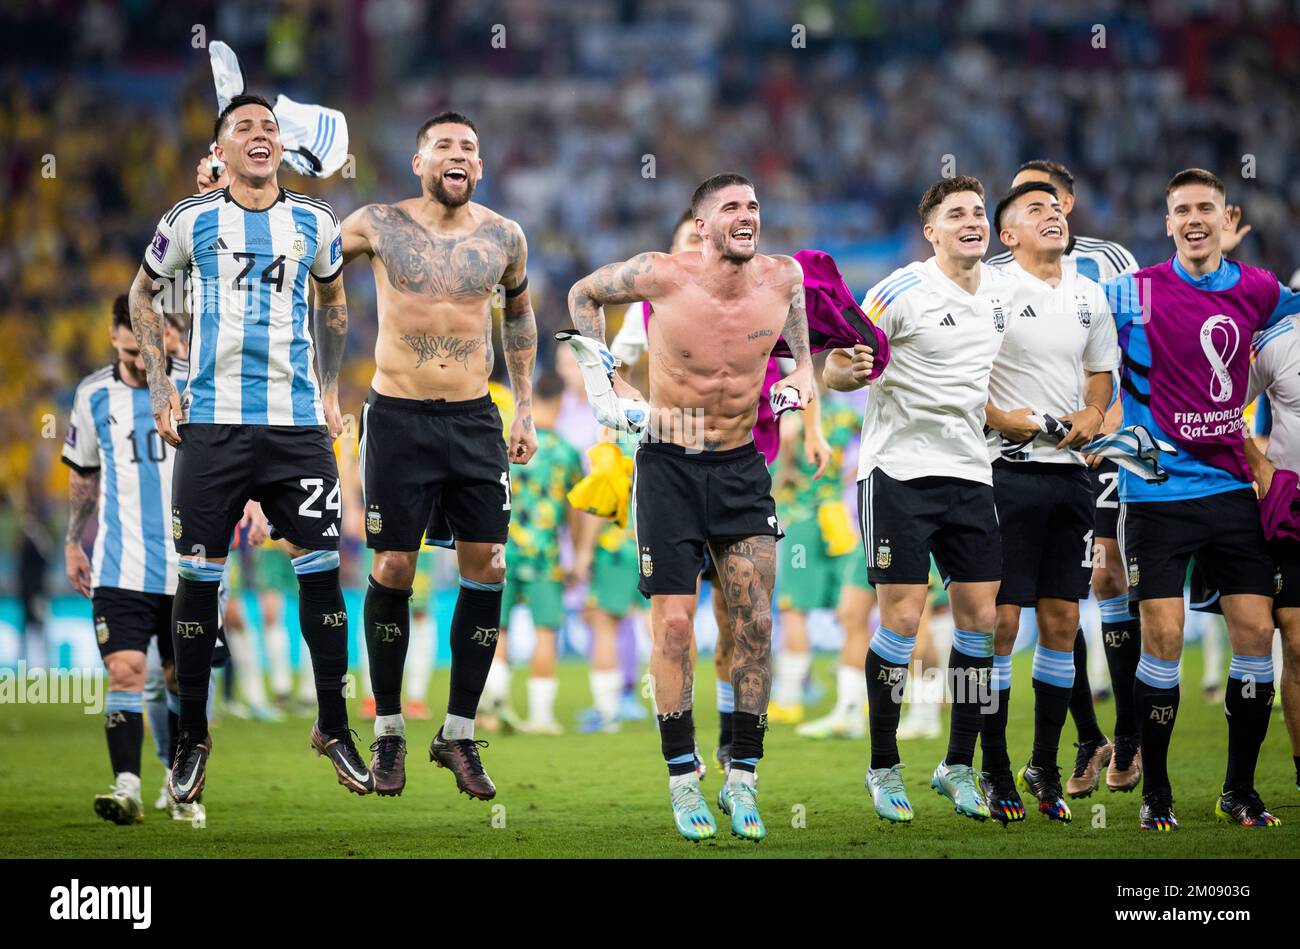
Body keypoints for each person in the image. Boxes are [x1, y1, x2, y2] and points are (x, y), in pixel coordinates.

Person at [133, 93, 371, 802]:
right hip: (211, 425)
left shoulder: (315, 220)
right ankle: (193, 736)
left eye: (269, 127)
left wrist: (330, 388)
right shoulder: (189, 218)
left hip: (298, 426)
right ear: (222, 149)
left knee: (323, 573)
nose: (261, 135)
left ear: (281, 146)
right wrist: (157, 388)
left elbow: (333, 303)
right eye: (245, 128)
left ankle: (334, 723)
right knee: (199, 579)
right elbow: (143, 296)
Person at [568, 172, 814, 842]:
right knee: (674, 626)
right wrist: (606, 387)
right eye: (731, 206)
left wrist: (801, 381)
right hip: (668, 465)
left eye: (754, 205)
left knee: (754, 620)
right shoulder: (662, 274)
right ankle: (683, 780)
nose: (747, 215)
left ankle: (743, 780)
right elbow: (582, 295)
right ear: (702, 225)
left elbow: (804, 359)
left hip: (741, 466)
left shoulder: (784, 277)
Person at [335, 111, 536, 798]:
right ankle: (388, 731)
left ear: (478, 167)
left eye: (470, 148)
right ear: (420, 160)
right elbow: (307, 260)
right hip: (397, 416)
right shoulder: (376, 223)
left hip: (476, 417)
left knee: (490, 563)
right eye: (445, 145)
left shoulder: (506, 236)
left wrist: (527, 405)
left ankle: (457, 732)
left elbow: (519, 316)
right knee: (392, 564)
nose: (459, 154)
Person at [826, 175, 1029, 824]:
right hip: (899, 475)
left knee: (980, 624)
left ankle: (957, 764)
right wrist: (844, 372)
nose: (971, 220)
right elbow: (837, 359)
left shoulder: (1001, 289)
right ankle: (884, 766)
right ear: (931, 231)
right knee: (904, 623)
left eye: (977, 211)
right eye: (956, 214)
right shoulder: (900, 291)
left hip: (970, 474)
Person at [1107, 168, 1300, 830]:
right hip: (1157, 492)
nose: (1193, 218)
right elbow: (1065, 318)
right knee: (1161, 637)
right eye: (1181, 209)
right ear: (1167, 224)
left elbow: (1292, 318)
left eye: (1205, 208)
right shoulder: (1132, 292)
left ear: (1227, 218)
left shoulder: (1257, 288)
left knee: (1254, 632)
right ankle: (1156, 789)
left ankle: (1239, 789)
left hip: (1230, 491)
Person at [988, 159, 1143, 794]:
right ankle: (1028, 753)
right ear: (1008, 230)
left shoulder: (1103, 275)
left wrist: (1099, 422)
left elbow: (1118, 362)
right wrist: (1000, 420)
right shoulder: (988, 285)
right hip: (1007, 469)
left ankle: (1105, 745)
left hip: (1089, 458)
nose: (1046, 210)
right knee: (1000, 618)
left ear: (1070, 203)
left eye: (1050, 200)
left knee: (1085, 593)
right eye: (1029, 203)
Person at [63, 295, 196, 824]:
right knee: (125, 671)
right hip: (119, 566)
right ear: (117, 337)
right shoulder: (93, 395)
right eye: (130, 349)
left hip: (190, 564)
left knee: (181, 680)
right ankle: (127, 787)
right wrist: (74, 542)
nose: (141, 361)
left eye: (148, 349)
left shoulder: (194, 381)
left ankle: (183, 783)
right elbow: (83, 474)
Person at [495, 371, 585, 734]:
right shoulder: (565, 452)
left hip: (500, 551)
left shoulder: (507, 445)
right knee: (545, 630)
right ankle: (540, 715)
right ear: (562, 401)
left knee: (495, 629)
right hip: (544, 554)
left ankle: (494, 703)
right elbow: (577, 509)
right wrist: (578, 554)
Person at [769, 383, 858, 724]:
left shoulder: (789, 418)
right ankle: (857, 698)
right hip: (837, 519)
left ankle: (790, 699)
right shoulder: (843, 412)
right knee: (852, 610)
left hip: (802, 523)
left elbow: (782, 476)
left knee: (794, 610)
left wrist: (783, 476)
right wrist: (850, 474)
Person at [1245, 316, 1300, 794]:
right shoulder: (1279, 341)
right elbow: (1220, 404)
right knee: (1297, 643)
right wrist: (1260, 465)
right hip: (1295, 513)